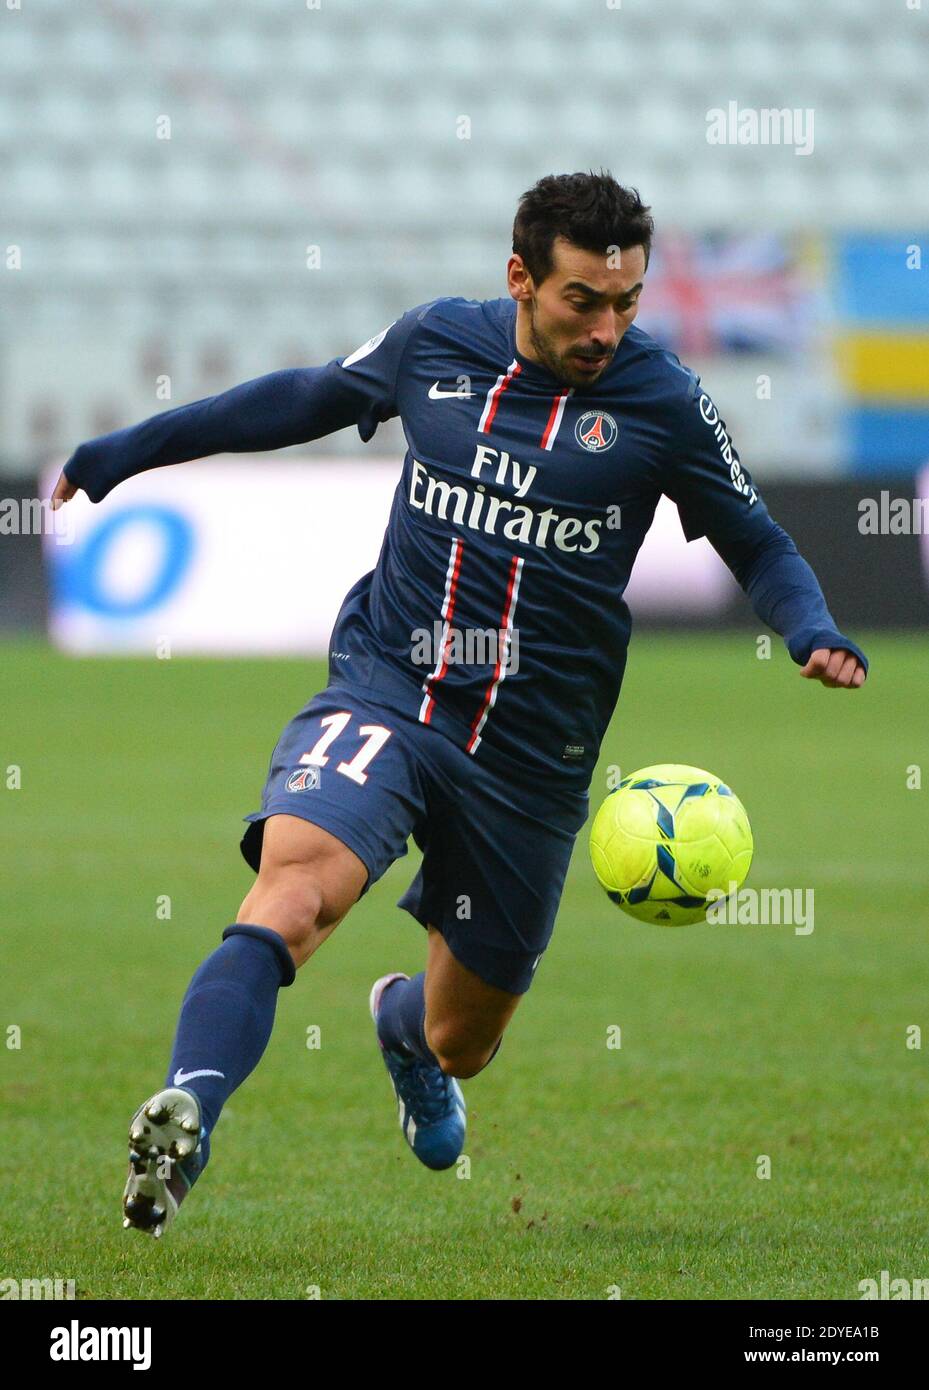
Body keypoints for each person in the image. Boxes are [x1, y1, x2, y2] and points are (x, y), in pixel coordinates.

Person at [51, 170, 868, 1237]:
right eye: (584, 299)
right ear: (520, 278)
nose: (607, 327)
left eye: (626, 302)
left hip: (530, 759)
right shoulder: (435, 344)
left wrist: (808, 627)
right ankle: (187, 1108)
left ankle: (399, 1025)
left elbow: (752, 538)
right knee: (293, 896)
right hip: (394, 691)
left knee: (460, 1041)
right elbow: (299, 396)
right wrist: (122, 453)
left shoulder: (660, 402)